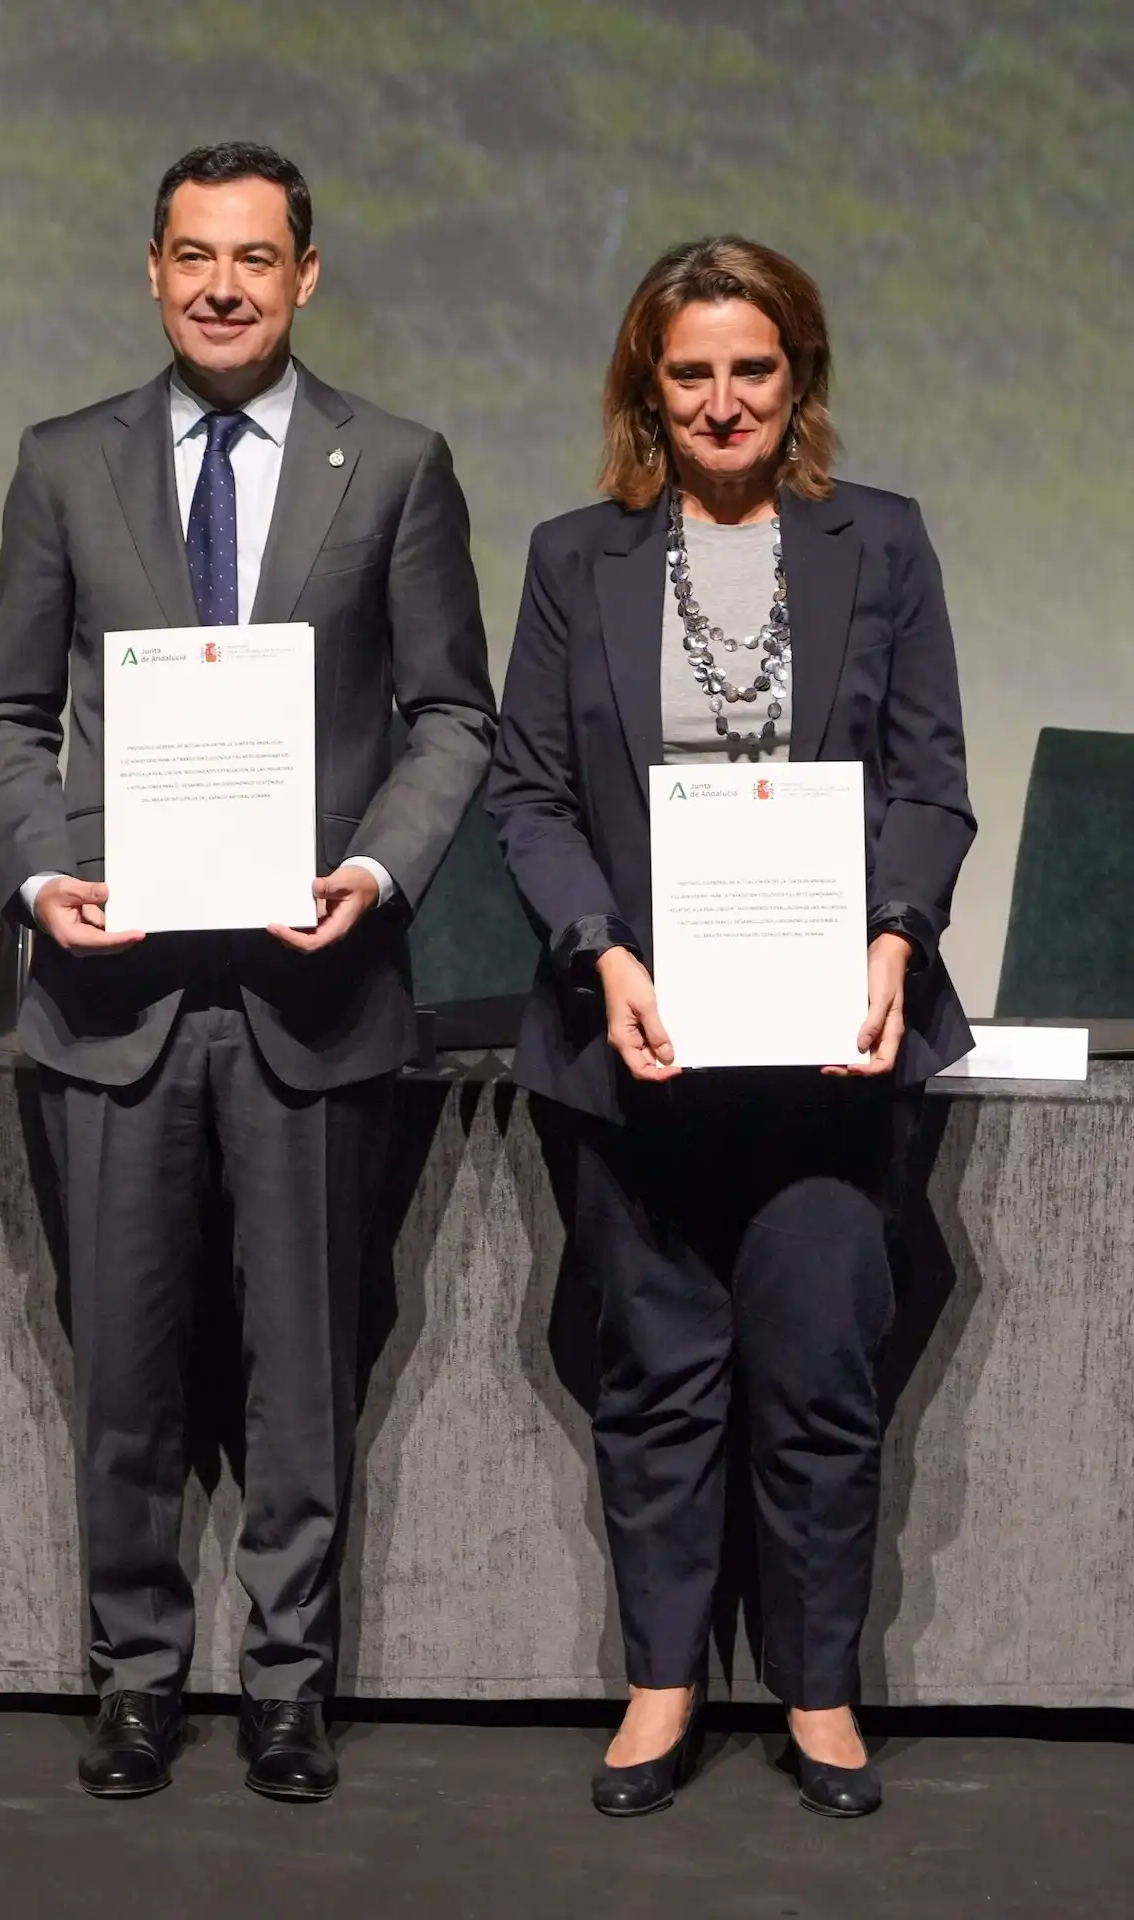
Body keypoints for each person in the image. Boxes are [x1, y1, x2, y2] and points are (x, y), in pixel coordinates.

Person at [0, 142, 495, 1801]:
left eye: (255, 258)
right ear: (151, 268)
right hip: (113, 1000)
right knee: (123, 1373)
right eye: (194, 254)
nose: (222, 285)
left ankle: (285, 1684)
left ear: (307, 275)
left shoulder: (394, 463)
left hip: (309, 987)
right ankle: (132, 1679)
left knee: (301, 1372)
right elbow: (4, 713)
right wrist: (45, 872)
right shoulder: (64, 464)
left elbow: (452, 713)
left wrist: (379, 867)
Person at [487, 235, 975, 1819]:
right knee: (659, 1378)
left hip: (831, 1047)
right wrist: (598, 951)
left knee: (824, 1374)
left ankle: (820, 1695)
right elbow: (535, 796)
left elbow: (928, 781)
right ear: (648, 385)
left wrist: (897, 935)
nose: (720, 399)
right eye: (688, 371)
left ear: (797, 377)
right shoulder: (578, 558)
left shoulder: (880, 544)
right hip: (647, 1049)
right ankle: (662, 1686)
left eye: (750, 367)